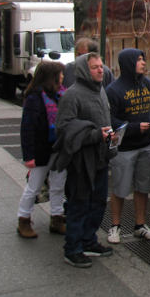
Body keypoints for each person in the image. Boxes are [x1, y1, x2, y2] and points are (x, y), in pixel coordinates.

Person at [53, 53, 116, 268]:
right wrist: (96, 135)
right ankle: (73, 249)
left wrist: (111, 135)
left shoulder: (100, 90)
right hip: (81, 161)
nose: (101, 70)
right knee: (79, 204)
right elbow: (63, 130)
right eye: (94, 67)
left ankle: (89, 240)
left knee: (98, 202)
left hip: (100, 158)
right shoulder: (72, 95)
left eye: (101, 66)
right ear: (82, 70)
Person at [105, 48, 150, 244]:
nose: (143, 63)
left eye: (143, 59)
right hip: (125, 148)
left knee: (143, 187)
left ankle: (140, 226)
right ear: (128, 63)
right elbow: (110, 118)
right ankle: (115, 227)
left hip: (148, 145)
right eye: (138, 60)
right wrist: (133, 128)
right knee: (120, 188)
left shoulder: (147, 84)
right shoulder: (113, 90)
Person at [17, 61, 67, 239]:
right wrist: (28, 156)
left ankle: (57, 218)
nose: (62, 76)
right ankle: (23, 219)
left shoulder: (62, 94)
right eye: (60, 74)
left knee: (58, 185)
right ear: (51, 77)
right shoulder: (34, 98)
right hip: (41, 151)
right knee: (34, 187)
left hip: (59, 149)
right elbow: (27, 129)